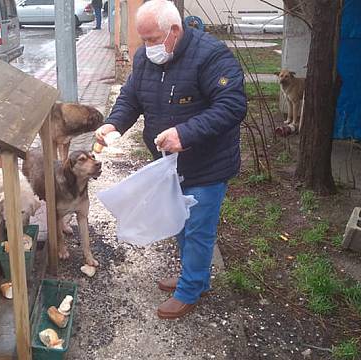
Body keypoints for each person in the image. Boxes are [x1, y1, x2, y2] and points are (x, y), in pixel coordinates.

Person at [95, 0, 246, 319]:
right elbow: (130, 98)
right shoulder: (144, 58)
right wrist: (114, 123)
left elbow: (232, 106)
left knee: (198, 230)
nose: (146, 47)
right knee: (180, 223)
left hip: (207, 165)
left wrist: (185, 134)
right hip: (170, 167)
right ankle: (195, 277)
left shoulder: (211, 56)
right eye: (143, 39)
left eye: (151, 39)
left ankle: (190, 290)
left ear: (174, 31)